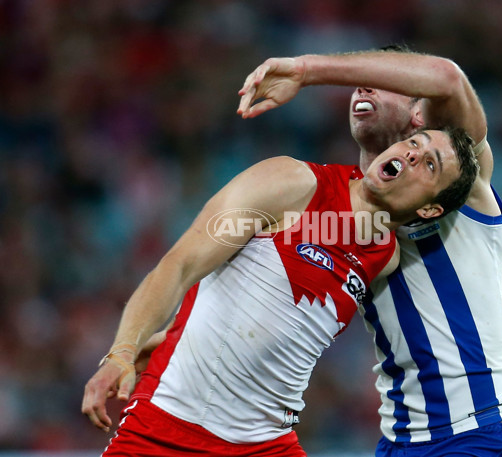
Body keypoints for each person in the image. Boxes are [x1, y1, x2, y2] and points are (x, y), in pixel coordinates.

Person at [81, 127, 479, 456]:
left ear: (430, 210)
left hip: (266, 445)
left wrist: (160, 342)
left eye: (430, 163)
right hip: (168, 429)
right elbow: (180, 265)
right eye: (414, 142)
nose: (411, 154)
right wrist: (122, 352)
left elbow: (265, 317)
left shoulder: (386, 256)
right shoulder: (292, 184)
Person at [237, 46, 502, 456]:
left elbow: (446, 78)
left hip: (475, 434)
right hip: (398, 440)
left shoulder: (459, 177)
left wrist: (307, 71)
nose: (364, 84)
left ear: (421, 114)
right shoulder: (344, 208)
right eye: (361, 81)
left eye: (388, 81)